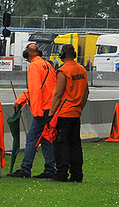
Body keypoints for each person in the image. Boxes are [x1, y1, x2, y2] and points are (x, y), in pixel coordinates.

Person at [7, 43, 57, 179]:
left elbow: (35, 90)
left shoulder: (34, 66)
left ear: (27, 54)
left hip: (43, 109)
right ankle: (49, 169)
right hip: (51, 107)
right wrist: (21, 100)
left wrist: (37, 111)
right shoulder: (47, 65)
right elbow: (48, 87)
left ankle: (25, 169)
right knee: (46, 139)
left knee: (31, 138)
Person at [48, 43, 90, 182]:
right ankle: (77, 175)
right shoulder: (82, 70)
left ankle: (61, 174)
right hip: (76, 113)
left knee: (61, 145)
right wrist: (79, 108)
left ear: (62, 55)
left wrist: (51, 114)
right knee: (75, 145)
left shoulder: (63, 71)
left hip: (64, 113)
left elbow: (58, 94)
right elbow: (86, 92)